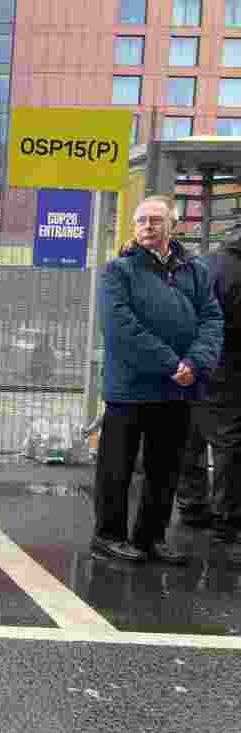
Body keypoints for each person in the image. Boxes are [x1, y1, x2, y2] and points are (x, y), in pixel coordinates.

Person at [91, 195, 223, 564]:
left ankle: (151, 537)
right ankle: (108, 536)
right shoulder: (118, 271)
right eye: (141, 220)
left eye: (155, 220)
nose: (147, 226)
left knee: (165, 469)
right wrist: (171, 363)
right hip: (130, 388)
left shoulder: (195, 271)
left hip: (178, 388)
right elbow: (120, 327)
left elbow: (212, 320)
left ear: (173, 226)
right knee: (116, 468)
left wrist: (194, 362)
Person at [188, 224, 241, 545]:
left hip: (197, 361)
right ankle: (227, 517)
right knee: (228, 442)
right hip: (231, 366)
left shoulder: (204, 263)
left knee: (192, 436)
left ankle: (191, 504)